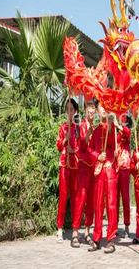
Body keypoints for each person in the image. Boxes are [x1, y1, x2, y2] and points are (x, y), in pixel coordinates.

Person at [88, 105, 117, 253]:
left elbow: (116, 146)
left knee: (111, 205)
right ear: (98, 111)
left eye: (106, 107)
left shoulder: (111, 129)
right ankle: (97, 238)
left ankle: (111, 239)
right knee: (98, 204)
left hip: (110, 169)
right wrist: (97, 156)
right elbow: (90, 149)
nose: (103, 110)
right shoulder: (96, 131)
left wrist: (113, 123)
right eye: (101, 107)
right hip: (99, 170)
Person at [71, 98, 98, 248]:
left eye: (93, 108)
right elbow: (82, 143)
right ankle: (75, 232)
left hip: (94, 169)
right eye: (89, 108)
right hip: (83, 168)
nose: (91, 110)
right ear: (85, 110)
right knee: (80, 199)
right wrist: (88, 133)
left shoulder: (98, 127)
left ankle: (87, 231)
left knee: (91, 202)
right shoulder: (81, 126)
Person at [56, 98, 80, 243]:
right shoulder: (63, 127)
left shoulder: (78, 127)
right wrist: (65, 140)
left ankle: (75, 230)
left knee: (76, 199)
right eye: (67, 110)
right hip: (64, 165)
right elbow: (58, 145)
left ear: (76, 111)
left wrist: (74, 149)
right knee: (63, 198)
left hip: (76, 165)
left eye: (72, 110)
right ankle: (59, 229)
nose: (69, 113)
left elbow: (82, 145)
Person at [115, 114, 132, 237]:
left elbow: (127, 132)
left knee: (125, 198)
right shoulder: (115, 133)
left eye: (123, 121)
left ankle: (126, 225)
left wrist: (119, 126)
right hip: (115, 168)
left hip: (125, 167)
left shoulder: (126, 132)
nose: (122, 123)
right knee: (115, 199)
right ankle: (114, 225)